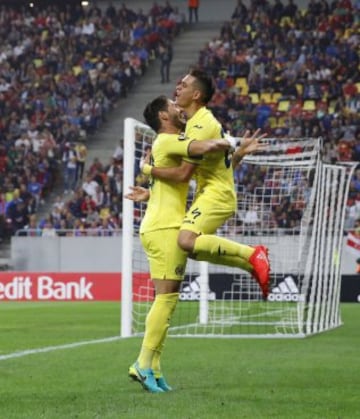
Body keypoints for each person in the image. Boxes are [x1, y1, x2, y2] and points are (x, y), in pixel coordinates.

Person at [126, 95, 236, 393]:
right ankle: (142, 363)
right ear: (163, 115)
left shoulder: (165, 145)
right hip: (164, 228)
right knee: (166, 300)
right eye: (173, 105)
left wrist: (148, 187)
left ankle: (155, 369)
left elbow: (175, 180)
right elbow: (190, 165)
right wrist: (226, 142)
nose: (179, 107)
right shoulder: (167, 140)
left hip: (159, 223)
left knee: (167, 301)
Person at [141, 69, 270, 299]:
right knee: (190, 248)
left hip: (215, 195)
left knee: (185, 240)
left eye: (184, 85)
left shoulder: (199, 126)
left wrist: (148, 169)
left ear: (196, 95)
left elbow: (183, 174)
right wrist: (238, 154)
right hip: (213, 192)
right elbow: (219, 168)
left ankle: (253, 254)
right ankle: (251, 265)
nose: (178, 88)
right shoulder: (195, 123)